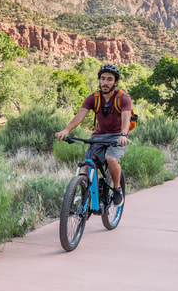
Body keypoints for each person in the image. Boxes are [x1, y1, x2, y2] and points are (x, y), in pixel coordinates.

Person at [54, 63, 132, 206]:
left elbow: (126, 118)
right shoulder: (93, 98)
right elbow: (80, 116)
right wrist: (66, 130)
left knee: (112, 159)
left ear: (115, 82)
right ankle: (87, 199)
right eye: (102, 79)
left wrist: (123, 135)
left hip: (117, 136)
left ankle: (116, 189)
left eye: (109, 79)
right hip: (98, 136)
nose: (105, 82)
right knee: (87, 167)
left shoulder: (123, 98)